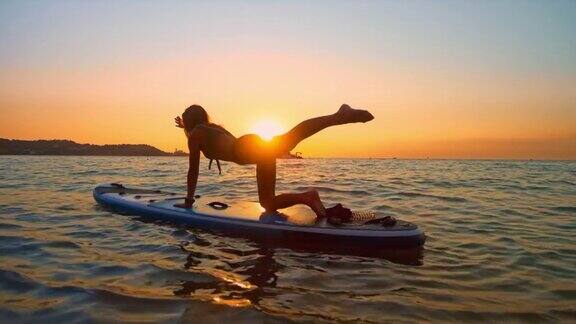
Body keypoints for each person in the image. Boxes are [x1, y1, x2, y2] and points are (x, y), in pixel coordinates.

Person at [173, 104, 374, 218]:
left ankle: (338, 116)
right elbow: (203, 137)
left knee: (291, 137)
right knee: (268, 201)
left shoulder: (196, 135)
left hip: (246, 149)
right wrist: (186, 127)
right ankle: (308, 197)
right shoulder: (210, 128)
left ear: (190, 122)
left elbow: (193, 170)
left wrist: (189, 201)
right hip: (251, 145)